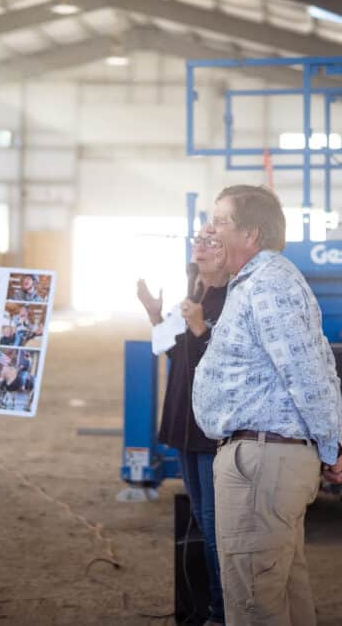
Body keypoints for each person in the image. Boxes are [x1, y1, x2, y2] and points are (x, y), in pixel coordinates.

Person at [192, 185, 342, 625]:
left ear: (251, 234)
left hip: (261, 463)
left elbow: (306, 373)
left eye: (220, 222)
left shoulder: (269, 284)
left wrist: (332, 446)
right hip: (264, 460)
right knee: (279, 594)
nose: (210, 231)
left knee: (254, 605)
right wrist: (331, 444)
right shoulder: (259, 283)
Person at [137, 226, 229, 626]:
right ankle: (217, 608)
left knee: (214, 525)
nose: (199, 249)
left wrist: (199, 328)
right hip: (183, 420)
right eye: (198, 244)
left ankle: (223, 612)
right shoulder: (195, 293)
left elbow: (229, 363)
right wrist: (155, 313)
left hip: (210, 429)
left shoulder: (234, 299)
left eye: (209, 244)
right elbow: (176, 351)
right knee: (203, 517)